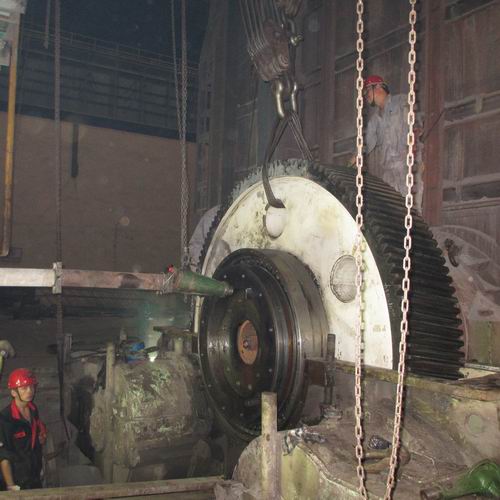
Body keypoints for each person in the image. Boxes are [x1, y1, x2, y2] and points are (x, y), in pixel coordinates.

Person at [349, 75, 424, 212]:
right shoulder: (375, 121)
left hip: (407, 165)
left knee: (412, 210)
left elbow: (417, 124)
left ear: (378, 87)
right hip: (389, 171)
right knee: (392, 211)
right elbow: (366, 143)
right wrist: (354, 159)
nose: (366, 96)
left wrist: (414, 139)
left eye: (367, 91)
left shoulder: (402, 101)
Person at [0, 368, 47, 491]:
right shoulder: (5, 419)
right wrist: (11, 487)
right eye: (24, 388)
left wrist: (41, 435)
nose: (30, 391)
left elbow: (36, 431)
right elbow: (3, 457)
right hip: (17, 481)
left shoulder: (33, 409)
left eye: (31, 387)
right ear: (13, 392)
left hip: (34, 476)